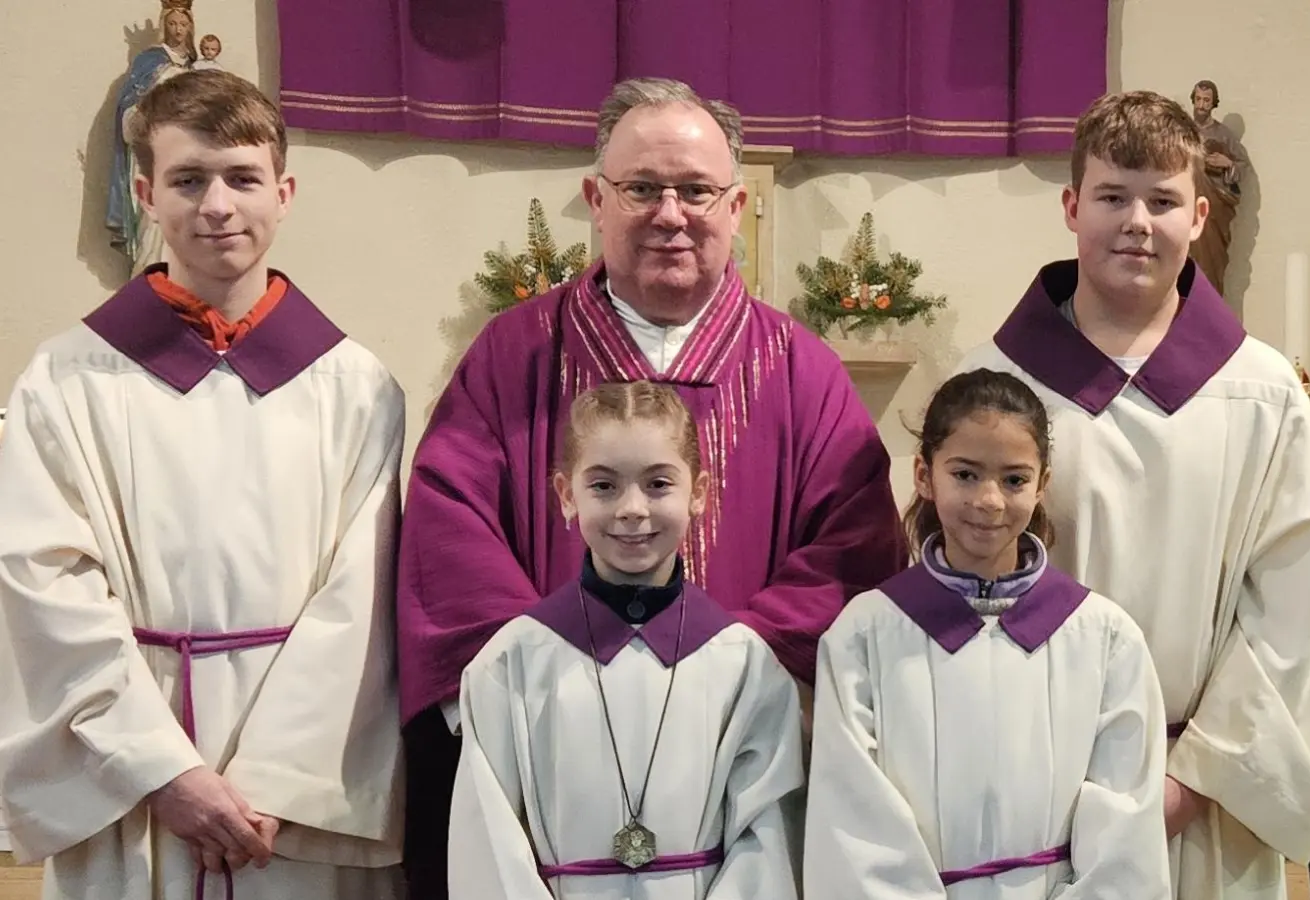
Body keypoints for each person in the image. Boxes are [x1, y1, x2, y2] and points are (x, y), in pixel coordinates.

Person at [396, 76, 903, 897]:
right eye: (642, 189)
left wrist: (728, 677)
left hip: (743, 741)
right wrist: (537, 682)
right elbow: (447, 535)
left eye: (697, 190)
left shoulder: (800, 369)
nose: (672, 213)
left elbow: (854, 549)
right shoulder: (514, 354)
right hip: (553, 747)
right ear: (596, 200)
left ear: (737, 208)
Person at [0, 69, 406, 899]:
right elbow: (43, 586)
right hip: (135, 784)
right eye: (189, 179)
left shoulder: (357, 388)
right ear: (147, 194)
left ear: (284, 192)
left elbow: (361, 605)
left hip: (293, 811)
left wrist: (276, 784)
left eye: (242, 178)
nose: (218, 204)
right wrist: (162, 770)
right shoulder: (68, 379)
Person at [958, 89, 1310, 900]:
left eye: (1162, 200)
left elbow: (1296, 610)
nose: (1137, 221)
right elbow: (949, 579)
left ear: (1200, 216)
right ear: (1071, 207)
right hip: (1028, 783)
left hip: (1200, 799)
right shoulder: (991, 387)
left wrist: (1192, 781)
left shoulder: (1262, 392)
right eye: (1111, 196)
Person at [804, 368, 1170, 899]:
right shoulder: (865, 636)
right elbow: (853, 819)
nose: (990, 500)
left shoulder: (1103, 637)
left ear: (1043, 485)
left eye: (1015, 479)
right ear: (925, 476)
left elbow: (1126, 824)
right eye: (966, 474)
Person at [449, 381, 804, 899]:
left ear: (699, 493)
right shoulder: (513, 662)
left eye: (658, 484)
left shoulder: (743, 662)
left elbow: (766, 838)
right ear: (567, 495)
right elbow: (488, 842)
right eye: (604, 486)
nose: (632, 508)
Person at [109, 0, 197, 272]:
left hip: (187, 153)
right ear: (164, 25)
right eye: (172, 23)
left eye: (183, 24)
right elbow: (129, 106)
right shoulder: (150, 61)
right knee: (154, 213)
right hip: (156, 146)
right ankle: (148, 271)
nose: (178, 30)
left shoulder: (197, 66)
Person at [1185, 80, 1251, 295]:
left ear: (1214, 104)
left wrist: (1228, 163)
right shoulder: (1182, 132)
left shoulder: (1224, 135)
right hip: (1185, 206)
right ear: (1193, 100)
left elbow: (1242, 165)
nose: (1202, 105)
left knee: (1211, 264)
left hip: (1214, 210)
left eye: (1207, 100)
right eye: (1199, 99)